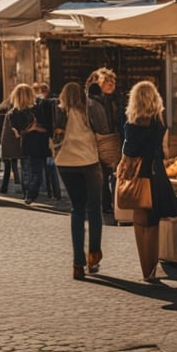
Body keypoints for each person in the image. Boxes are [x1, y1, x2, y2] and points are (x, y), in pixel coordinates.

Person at [121, 80, 177, 281]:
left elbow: (129, 151)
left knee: (140, 222)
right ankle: (152, 268)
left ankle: (145, 269)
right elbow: (160, 149)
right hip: (156, 172)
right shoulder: (158, 122)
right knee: (153, 222)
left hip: (139, 174)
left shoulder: (132, 124)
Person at [54, 82, 105, 279]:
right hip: (89, 161)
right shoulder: (91, 107)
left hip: (65, 162)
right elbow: (103, 129)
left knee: (77, 209)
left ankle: (77, 263)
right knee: (94, 207)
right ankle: (94, 255)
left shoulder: (59, 110)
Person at [89, 69, 125, 221]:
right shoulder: (92, 101)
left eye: (113, 82)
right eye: (106, 82)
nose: (111, 85)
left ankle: (111, 203)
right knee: (102, 174)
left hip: (113, 140)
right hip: (100, 141)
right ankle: (105, 204)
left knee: (112, 173)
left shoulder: (113, 100)